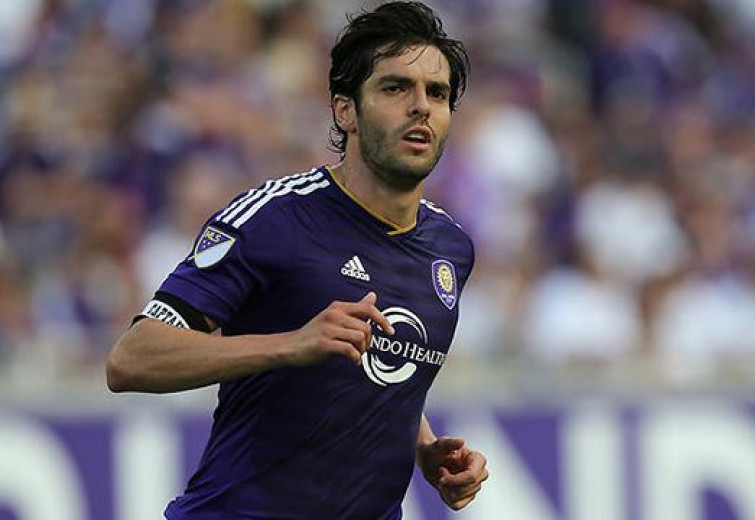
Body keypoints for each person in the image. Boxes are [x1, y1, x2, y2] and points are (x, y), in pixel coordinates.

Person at [106, 2, 489, 518]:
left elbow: (376, 372)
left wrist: (425, 448)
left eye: (437, 93)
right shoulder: (275, 218)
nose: (420, 107)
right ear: (345, 111)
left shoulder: (450, 249)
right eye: (396, 88)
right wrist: (290, 344)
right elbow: (131, 359)